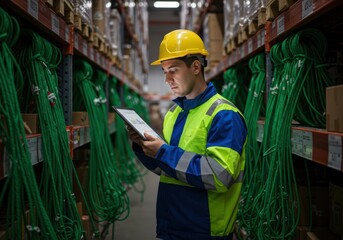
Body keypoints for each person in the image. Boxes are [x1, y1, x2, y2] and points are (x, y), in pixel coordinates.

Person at [127, 29, 247, 240]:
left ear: (195, 67)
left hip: (205, 230)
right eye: (164, 71)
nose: (167, 79)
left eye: (173, 70)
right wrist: (144, 147)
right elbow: (169, 169)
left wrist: (163, 152)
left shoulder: (224, 115)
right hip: (172, 225)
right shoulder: (174, 113)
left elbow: (219, 176)